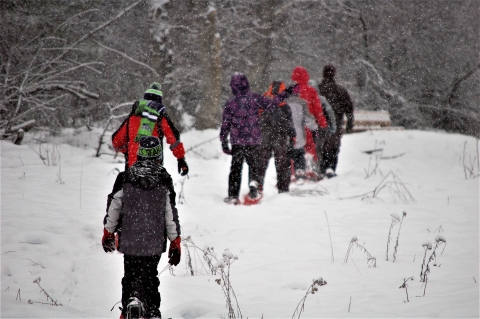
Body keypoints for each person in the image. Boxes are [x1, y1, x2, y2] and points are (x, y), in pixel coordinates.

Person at [102, 136, 181, 319]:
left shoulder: (125, 177)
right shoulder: (164, 179)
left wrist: (108, 232)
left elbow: (114, 206)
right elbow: (170, 214)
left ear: (139, 154)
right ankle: (152, 312)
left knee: (130, 275)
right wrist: (174, 242)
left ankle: (131, 303)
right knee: (150, 277)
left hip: (129, 238)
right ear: (158, 155)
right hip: (154, 239)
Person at [220, 73, 288, 204]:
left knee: (236, 168)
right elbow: (272, 105)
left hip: (237, 141)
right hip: (254, 140)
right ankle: (253, 186)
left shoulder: (231, 102)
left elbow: (226, 123)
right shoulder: (255, 98)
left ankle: (233, 196)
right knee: (254, 166)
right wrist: (284, 94)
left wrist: (223, 140)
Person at [112, 82, 189, 176]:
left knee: (130, 189)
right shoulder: (160, 117)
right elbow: (174, 139)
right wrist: (181, 159)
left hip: (132, 167)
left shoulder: (132, 117)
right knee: (156, 189)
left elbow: (117, 141)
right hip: (154, 167)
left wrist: (128, 151)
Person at [258, 81, 296, 193]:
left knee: (261, 163)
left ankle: (257, 186)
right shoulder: (285, 107)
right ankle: (283, 189)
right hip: (280, 138)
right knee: (282, 164)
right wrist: (293, 135)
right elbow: (289, 124)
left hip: (264, 138)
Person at [290, 66, 329, 177]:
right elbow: (318, 110)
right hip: (309, 124)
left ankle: (295, 170)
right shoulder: (311, 91)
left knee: (295, 148)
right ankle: (310, 166)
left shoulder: (290, 91)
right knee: (310, 146)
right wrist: (323, 125)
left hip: (294, 126)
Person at [318, 64, 354, 177]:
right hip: (337, 123)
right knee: (333, 147)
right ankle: (331, 168)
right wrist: (349, 123)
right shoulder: (340, 90)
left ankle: (321, 169)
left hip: (320, 122)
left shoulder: (318, 89)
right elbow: (349, 108)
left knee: (321, 146)